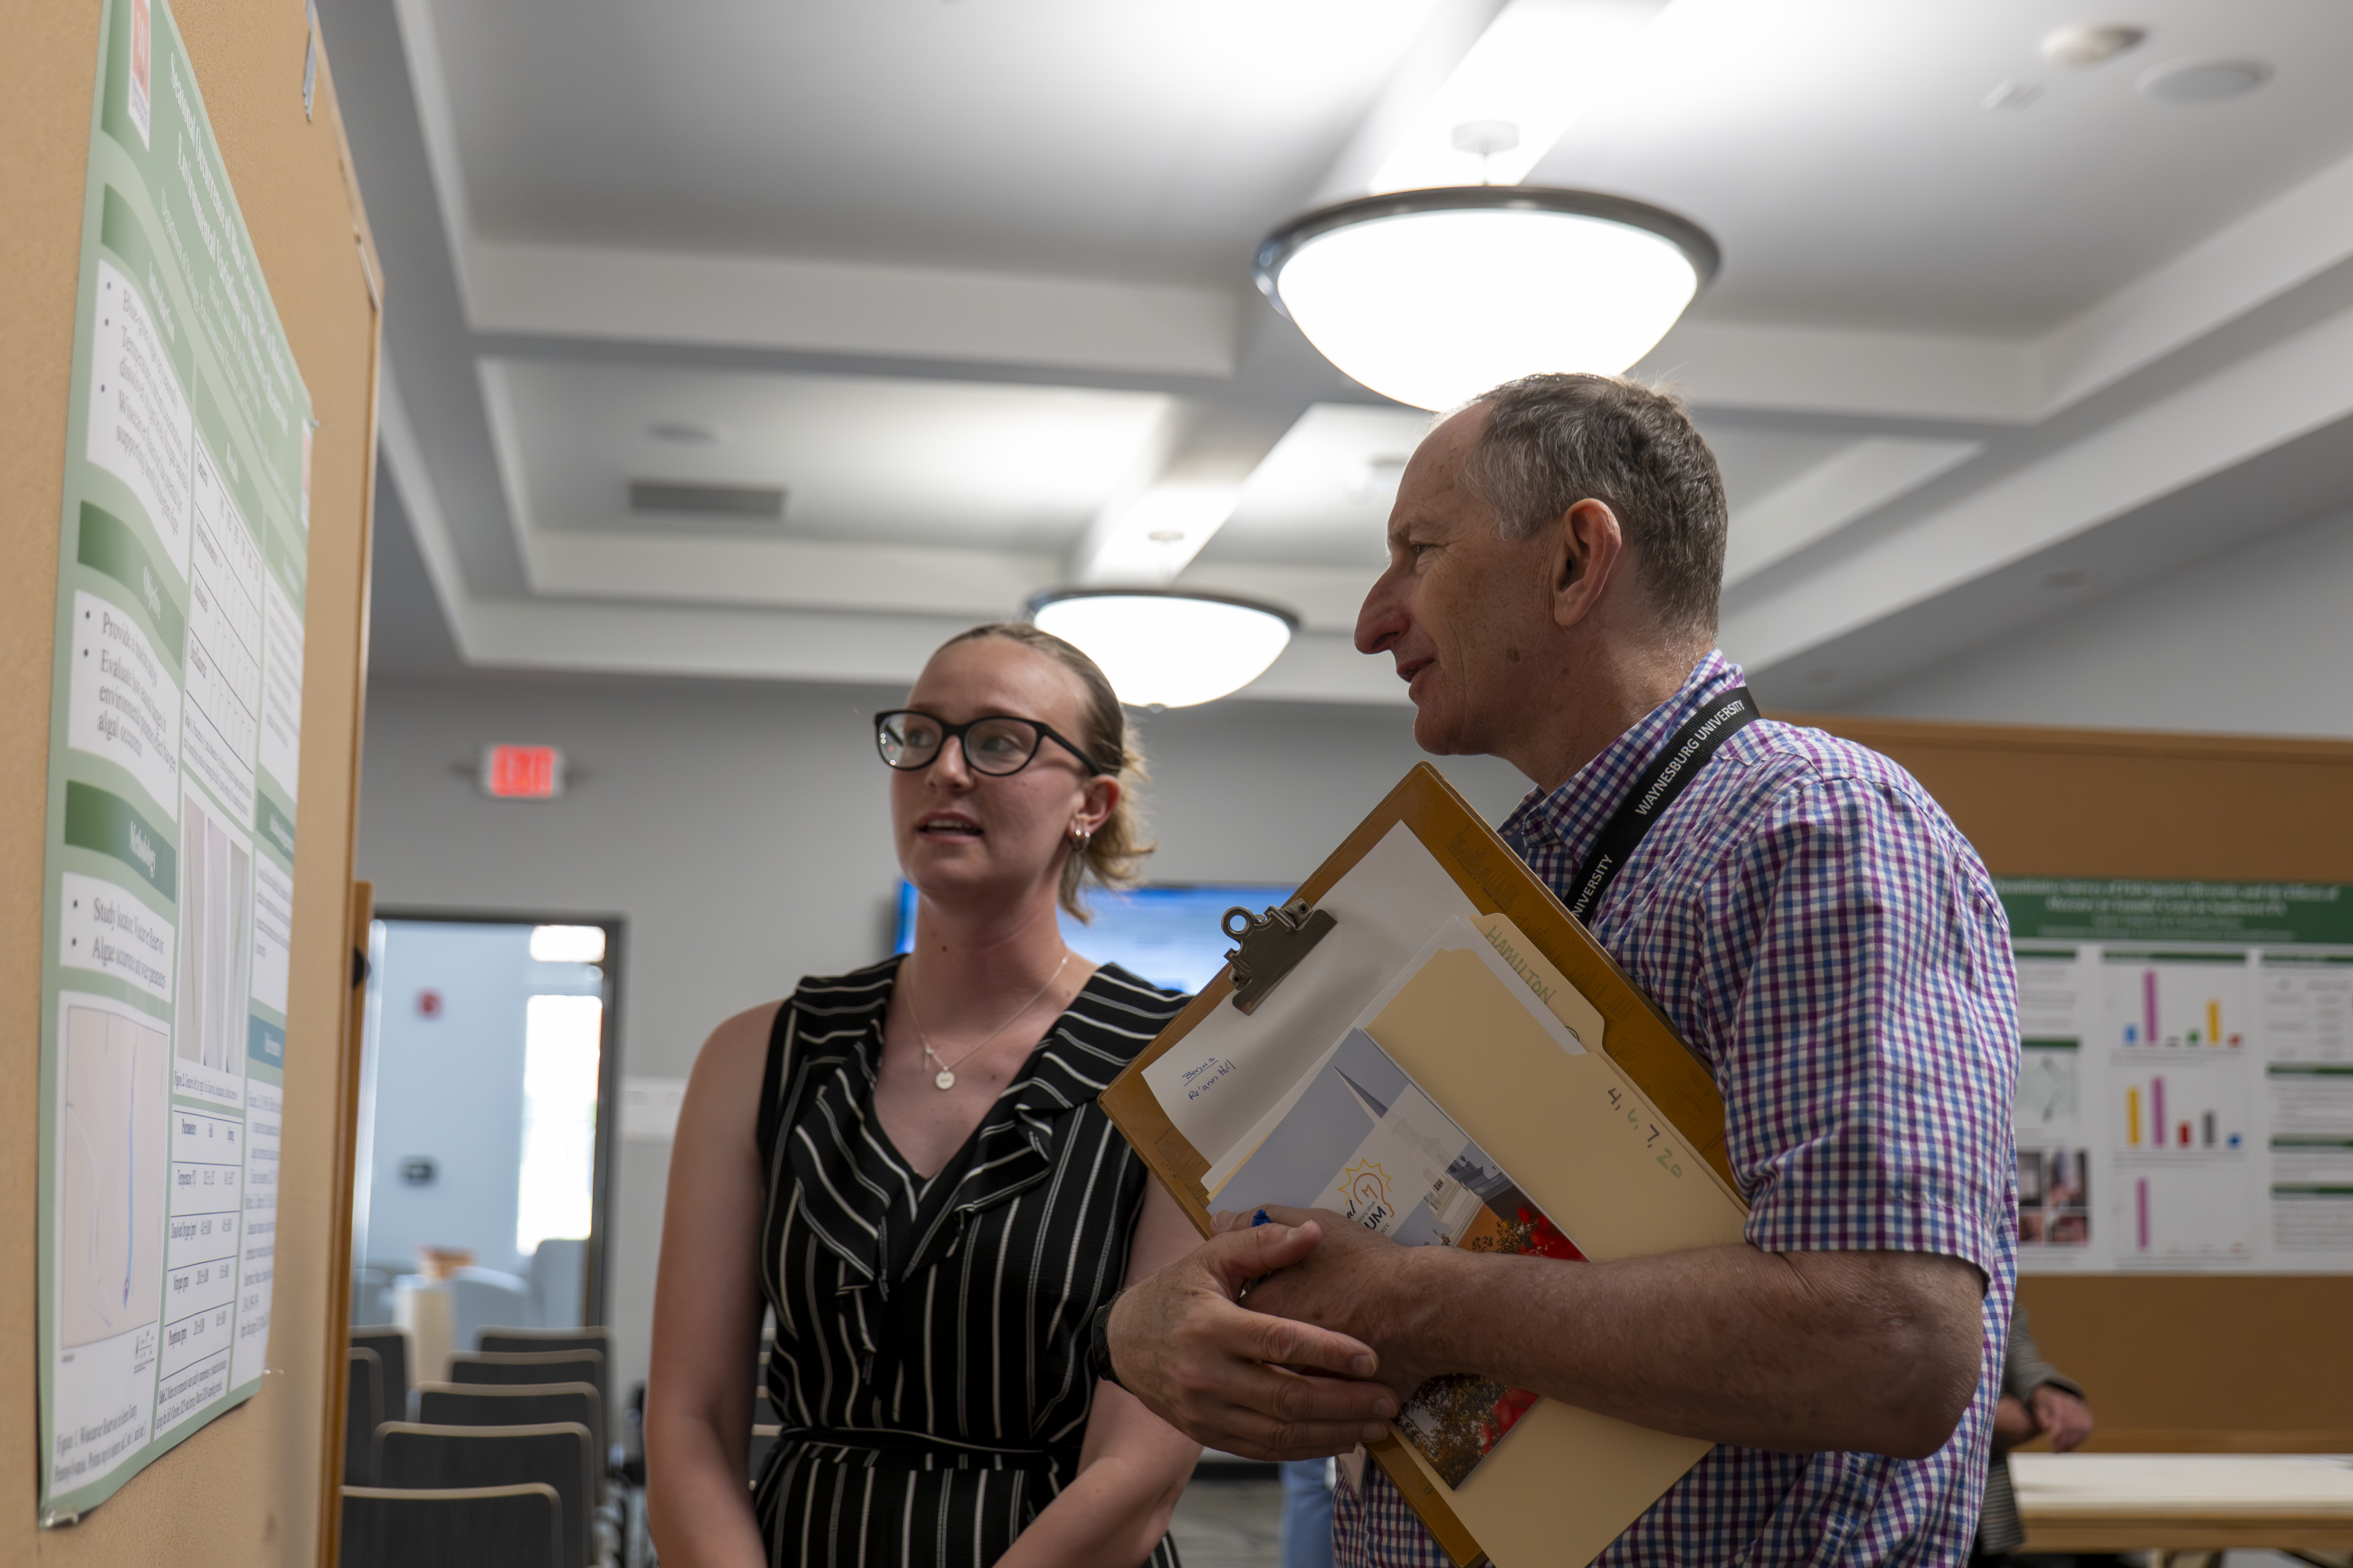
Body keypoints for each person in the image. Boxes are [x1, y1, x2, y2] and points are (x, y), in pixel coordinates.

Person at [1096, 374, 2019, 1565]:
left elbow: (1892, 1348)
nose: (1375, 621)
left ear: (1578, 560)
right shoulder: (1512, 880)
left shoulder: (1818, 830)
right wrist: (1158, 1328)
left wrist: (1412, 1301)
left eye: (1418, 552)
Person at [648, 624, 1205, 1568]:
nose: (944, 768)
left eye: (997, 741)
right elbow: (691, 1417)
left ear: (1090, 803)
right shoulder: (758, 1055)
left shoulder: (1179, 1065)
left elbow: (1141, 1461)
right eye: (919, 734)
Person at [1976, 1307, 2096, 1563]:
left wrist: (2040, 1388)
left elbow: (2003, 1320)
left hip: (1979, 1510)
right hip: (1895, 1502)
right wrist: (1978, 1419)